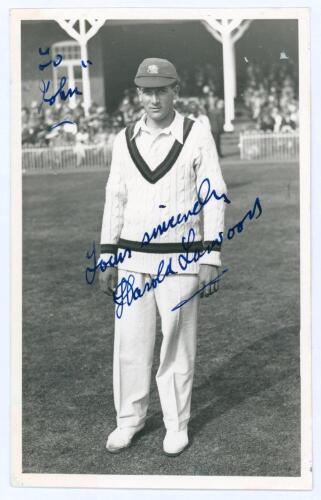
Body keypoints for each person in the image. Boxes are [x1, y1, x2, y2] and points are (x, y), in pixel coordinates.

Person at [99, 58, 228, 456]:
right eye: (146, 90)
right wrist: (107, 255)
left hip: (181, 260)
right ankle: (129, 421)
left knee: (176, 344)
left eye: (161, 90)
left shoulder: (196, 134)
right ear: (138, 94)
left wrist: (211, 254)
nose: (154, 98)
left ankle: (176, 424)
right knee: (131, 343)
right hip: (133, 258)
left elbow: (214, 195)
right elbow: (115, 199)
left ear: (176, 91)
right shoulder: (124, 138)